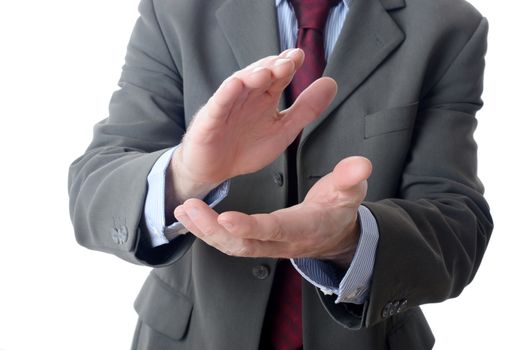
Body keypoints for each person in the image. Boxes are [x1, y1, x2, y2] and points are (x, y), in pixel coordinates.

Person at [68, 0, 493, 348]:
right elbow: (94, 190)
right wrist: (184, 174)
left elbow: (458, 229)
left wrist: (348, 240)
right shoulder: (174, 9)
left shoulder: (448, 25)